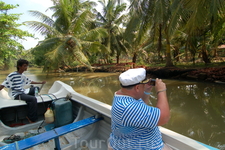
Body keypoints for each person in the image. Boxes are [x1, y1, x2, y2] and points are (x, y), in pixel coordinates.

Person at [109, 68, 171, 150]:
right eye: (143, 85)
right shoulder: (129, 107)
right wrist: (161, 91)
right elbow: (164, 118)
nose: (145, 86)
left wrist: (146, 90)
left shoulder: (121, 95)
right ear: (137, 88)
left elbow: (142, 106)